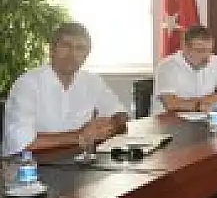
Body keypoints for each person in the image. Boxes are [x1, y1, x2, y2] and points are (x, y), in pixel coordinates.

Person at [2, 22, 126, 155]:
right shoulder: (27, 84)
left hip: (75, 160)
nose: (72, 54)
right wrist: (81, 135)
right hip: (29, 164)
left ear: (86, 55)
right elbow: (22, 143)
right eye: (66, 45)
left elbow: (120, 114)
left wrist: (109, 127)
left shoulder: (92, 81)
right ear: (51, 50)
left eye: (80, 48)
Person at [153, 26, 217, 114]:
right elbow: (171, 103)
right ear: (184, 47)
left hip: (203, 117)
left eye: (209, 50)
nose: (206, 56)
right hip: (168, 120)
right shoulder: (167, 66)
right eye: (201, 51)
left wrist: (212, 98)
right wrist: (201, 104)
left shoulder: (213, 60)